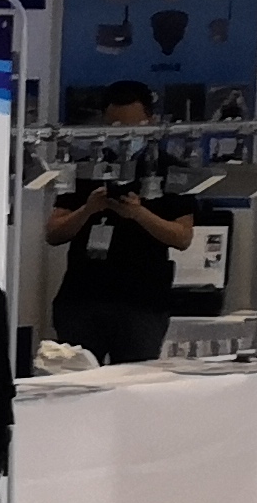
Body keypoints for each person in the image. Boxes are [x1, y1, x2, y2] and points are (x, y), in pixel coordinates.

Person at [45, 99, 196, 366]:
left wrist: (139, 213)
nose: (124, 136)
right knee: (76, 377)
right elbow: (54, 233)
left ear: (150, 122)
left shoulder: (172, 169)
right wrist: (88, 209)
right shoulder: (84, 169)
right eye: (115, 127)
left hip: (142, 302)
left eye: (131, 127)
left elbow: (182, 237)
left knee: (133, 379)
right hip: (82, 298)